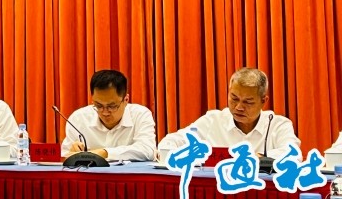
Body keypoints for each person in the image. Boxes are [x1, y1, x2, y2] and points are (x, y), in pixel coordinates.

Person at [158, 67, 300, 158]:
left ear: (264, 101)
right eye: (234, 98)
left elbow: (293, 154)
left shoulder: (277, 125)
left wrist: (257, 158)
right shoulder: (213, 121)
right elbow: (169, 142)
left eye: (248, 102)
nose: (239, 107)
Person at [61, 69, 155, 161]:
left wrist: (104, 153)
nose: (105, 112)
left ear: (126, 100)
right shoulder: (78, 118)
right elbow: (63, 156)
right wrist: (71, 154)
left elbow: (147, 150)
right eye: (98, 105)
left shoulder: (140, 115)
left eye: (112, 106)